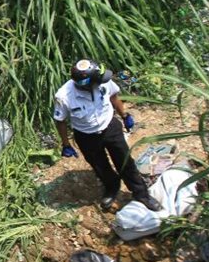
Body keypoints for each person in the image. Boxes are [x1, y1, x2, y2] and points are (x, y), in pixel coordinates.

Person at [53, 59, 162, 212]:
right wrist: (66, 144)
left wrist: (124, 116)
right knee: (100, 165)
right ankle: (112, 187)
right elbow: (60, 120)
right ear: (88, 83)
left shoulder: (103, 81)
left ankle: (141, 193)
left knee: (125, 161)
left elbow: (113, 97)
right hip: (86, 136)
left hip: (110, 127)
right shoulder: (64, 96)